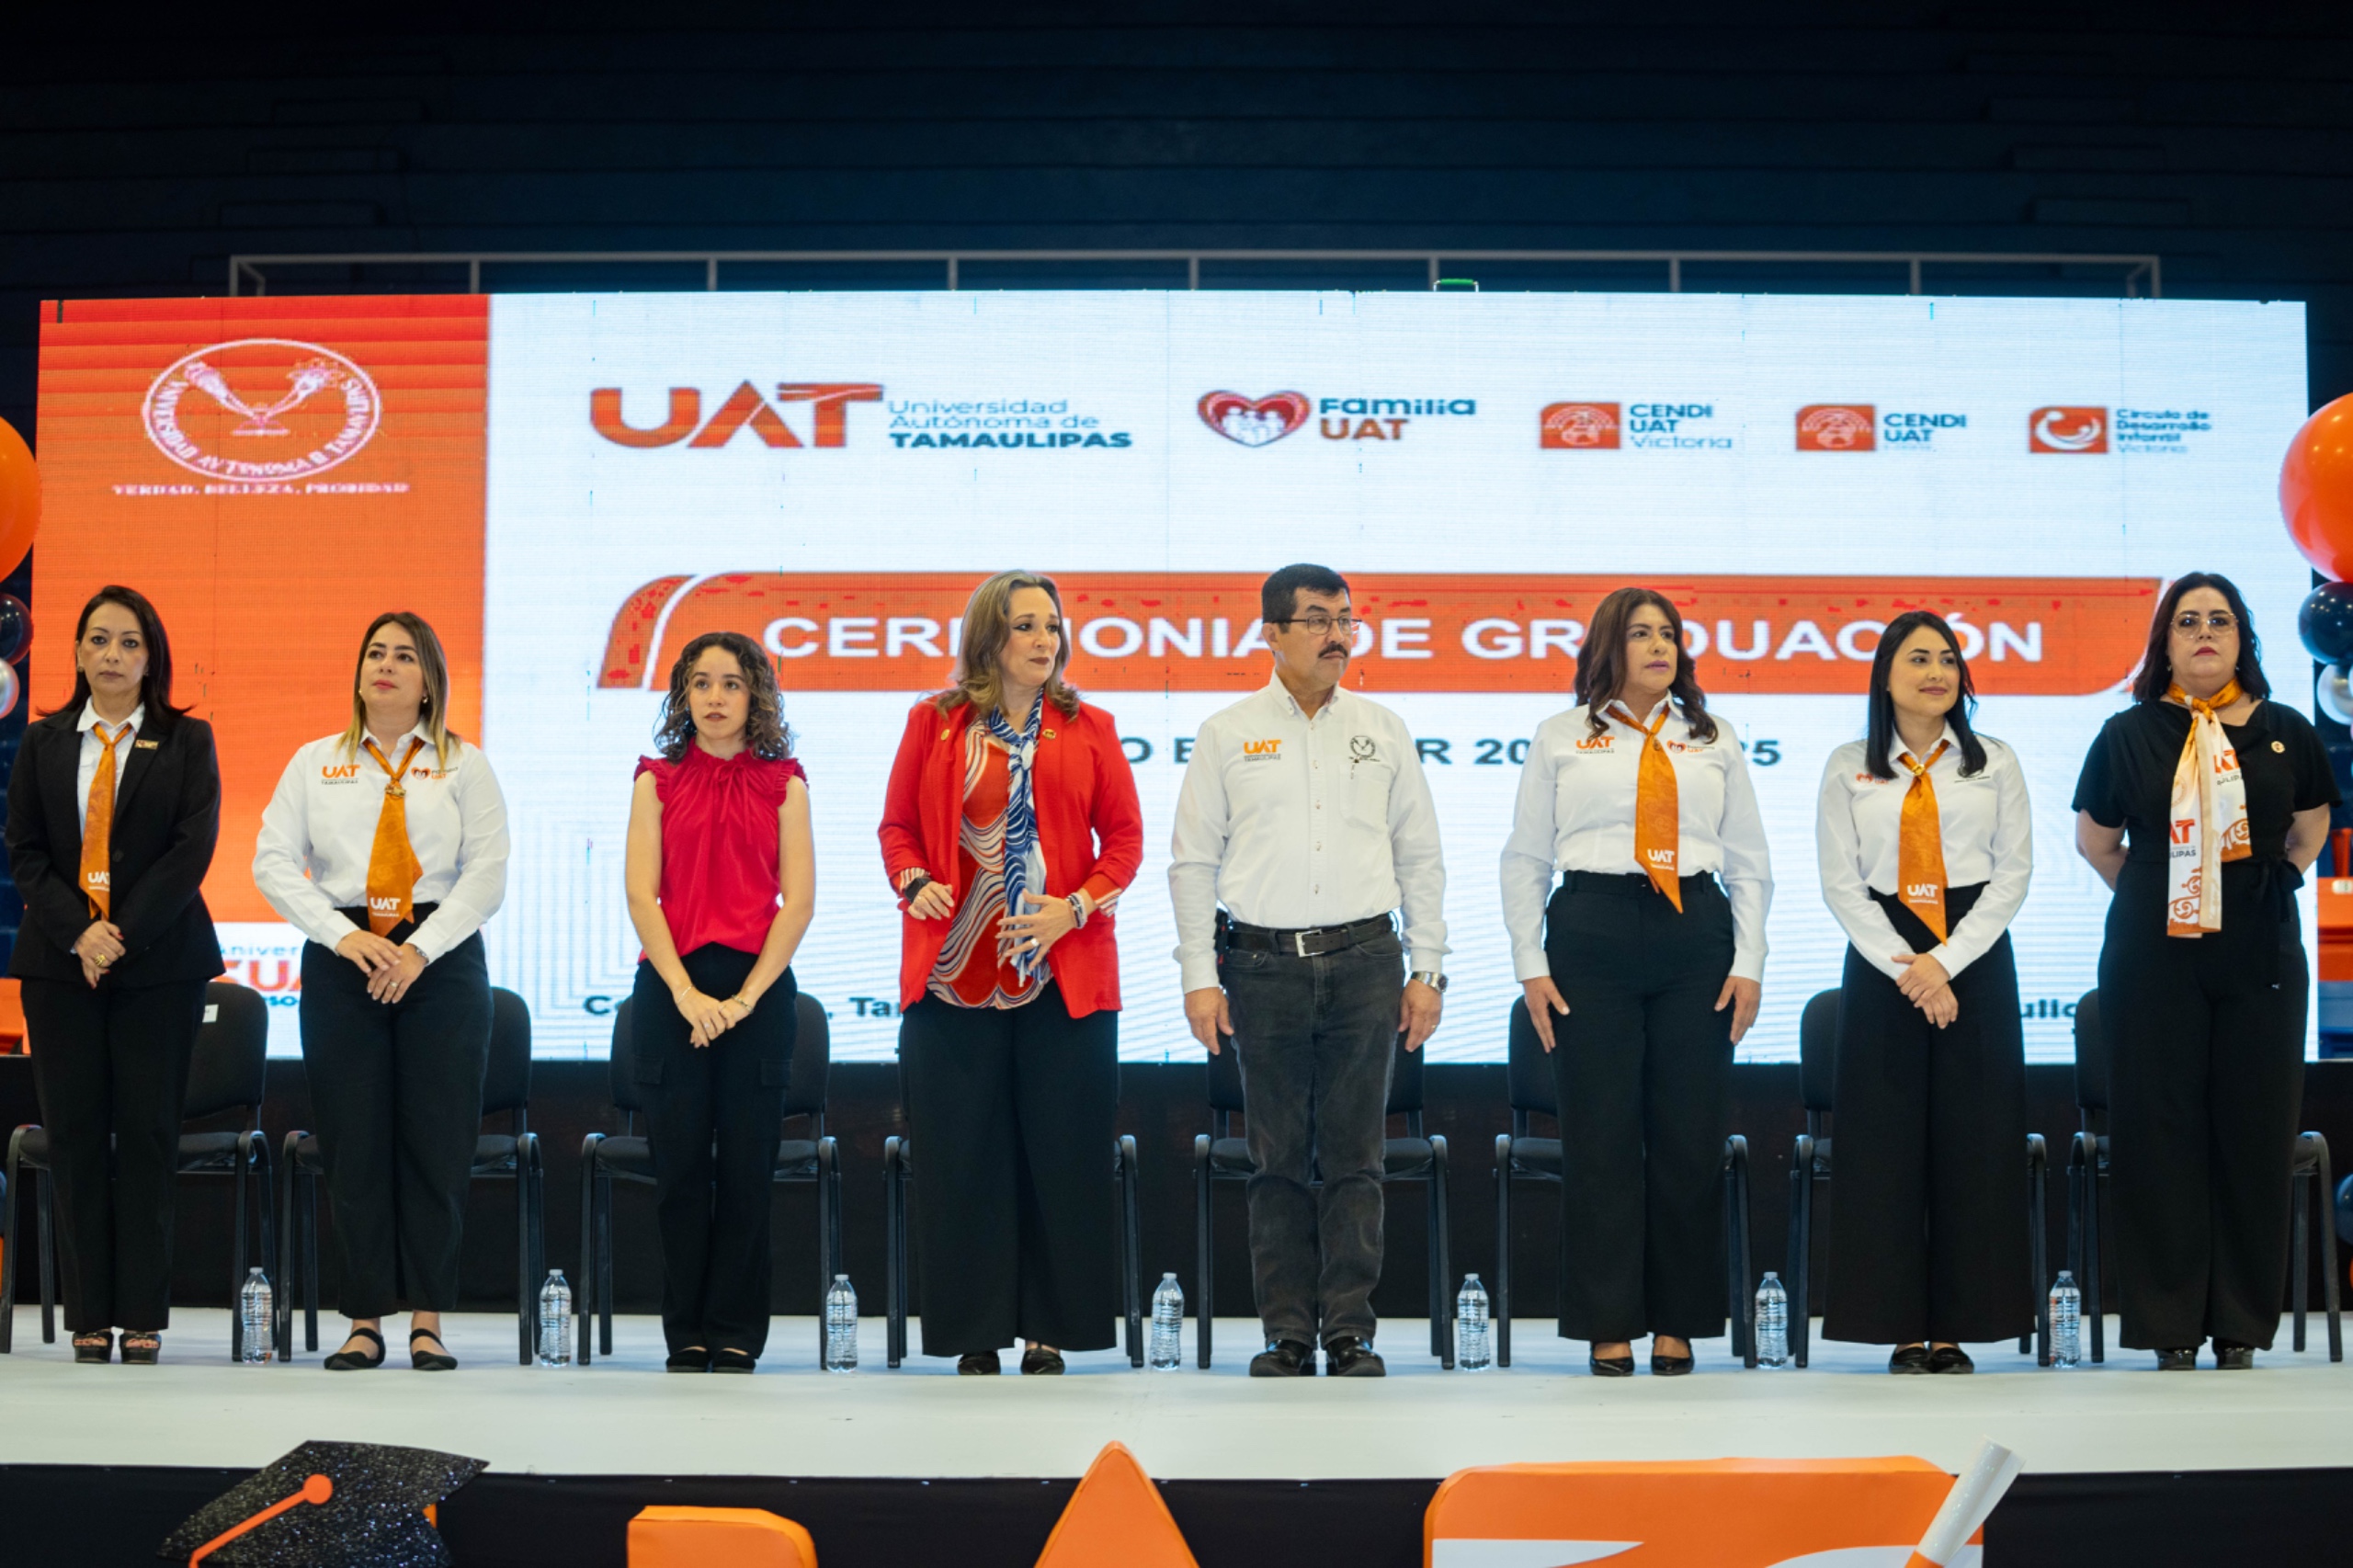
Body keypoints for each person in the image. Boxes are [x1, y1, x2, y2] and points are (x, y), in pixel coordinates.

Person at [1170, 562, 1447, 1378]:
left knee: (1359, 1158)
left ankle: (1350, 1330)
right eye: (1319, 619)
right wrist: (1198, 973)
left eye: (1347, 620)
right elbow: (1193, 863)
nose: (1338, 635)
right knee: (1278, 1160)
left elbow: (1420, 857)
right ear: (1273, 632)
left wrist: (1427, 966)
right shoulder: (1227, 732)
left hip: (1367, 961)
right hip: (1260, 965)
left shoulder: (1384, 727)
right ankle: (1286, 1331)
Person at [1499, 585, 1770, 1377]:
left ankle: (1679, 1321)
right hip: (1591, 930)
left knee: (1690, 1135)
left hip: (1696, 934)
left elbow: (1750, 860)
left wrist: (1748, 961)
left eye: (1671, 634)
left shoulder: (1712, 737)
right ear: (1607, 648)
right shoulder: (1559, 737)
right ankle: (1607, 1322)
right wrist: (1531, 964)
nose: (1661, 647)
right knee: (1601, 1135)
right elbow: (1525, 857)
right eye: (1642, 634)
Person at [879, 572, 1142, 1374]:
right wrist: (911, 880)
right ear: (989, 636)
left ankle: (1050, 1330)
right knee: (963, 1159)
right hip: (956, 973)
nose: (1044, 640)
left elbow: (1124, 843)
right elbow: (896, 829)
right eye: (1025, 625)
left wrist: (1077, 905)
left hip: (1062, 977)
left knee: (1061, 1158)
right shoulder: (935, 722)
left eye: (1052, 626)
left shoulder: (1089, 725)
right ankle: (974, 1332)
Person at [2074, 573, 2336, 1370]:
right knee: (2159, 1131)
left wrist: (2251, 891)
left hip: (2260, 949)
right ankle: (2168, 1326)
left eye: (2220, 620)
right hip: (2154, 953)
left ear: (2242, 640)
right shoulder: (2127, 733)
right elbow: (2097, 842)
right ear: (2166, 643)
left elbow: (2310, 829)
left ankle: (2241, 1328)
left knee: (2253, 1133)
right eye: (2187, 621)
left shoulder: (2288, 728)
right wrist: (2172, 891)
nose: (2204, 633)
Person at [254, 612, 508, 1371]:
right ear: (358, 671)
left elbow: (487, 874)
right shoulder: (313, 762)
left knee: (436, 1139)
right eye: (375, 653)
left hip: (442, 959)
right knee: (354, 1142)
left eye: (405, 655)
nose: (386, 665)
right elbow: (272, 862)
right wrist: (343, 935)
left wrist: (419, 950)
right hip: (345, 957)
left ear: (430, 678)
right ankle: (364, 1319)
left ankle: (427, 1320)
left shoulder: (466, 765)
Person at [5, 586, 222, 1365]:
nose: (113, 656)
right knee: (76, 1139)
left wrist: (118, 935)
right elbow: (24, 850)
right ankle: (90, 1314)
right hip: (60, 968)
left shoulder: (187, 740)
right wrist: (79, 933)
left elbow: (190, 852)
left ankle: (142, 1315)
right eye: (99, 640)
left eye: (130, 643)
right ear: (76, 653)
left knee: (148, 1136)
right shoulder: (44, 741)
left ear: (151, 656)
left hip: (159, 967)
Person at [1815, 611, 2032, 1373]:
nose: (1936, 671)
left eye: (1947, 658)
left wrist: (1947, 962)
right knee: (1885, 1149)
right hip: (1885, 959)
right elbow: (1841, 883)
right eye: (1918, 658)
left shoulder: (1993, 761)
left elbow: (2013, 874)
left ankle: (1961, 1326)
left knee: (1976, 1144)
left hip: (1973, 949)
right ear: (1885, 675)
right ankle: (1900, 1327)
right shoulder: (1849, 764)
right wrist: (1909, 966)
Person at [625, 630, 814, 1373]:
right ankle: (687, 1332)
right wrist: (684, 993)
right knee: (678, 1172)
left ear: (755, 695)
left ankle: (736, 1329)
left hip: (757, 996)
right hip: (671, 989)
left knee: (745, 1171)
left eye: (731, 683)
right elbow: (642, 894)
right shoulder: (655, 778)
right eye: (700, 683)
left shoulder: (786, 782)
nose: (714, 697)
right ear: (682, 696)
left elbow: (796, 904)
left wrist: (740, 1002)